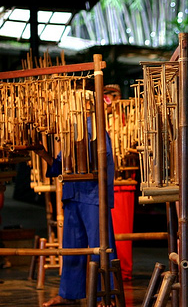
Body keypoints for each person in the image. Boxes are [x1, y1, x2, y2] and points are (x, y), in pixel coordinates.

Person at [34, 91, 117, 307]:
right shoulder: (70, 129)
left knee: (101, 246)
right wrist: (41, 152)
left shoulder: (93, 127)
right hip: (73, 194)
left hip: (92, 194)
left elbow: (104, 159)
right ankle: (68, 293)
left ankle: (105, 294)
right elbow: (60, 165)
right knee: (72, 247)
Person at [104, 84, 136, 282]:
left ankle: (123, 271)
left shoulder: (128, 120)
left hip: (123, 180)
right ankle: (104, 269)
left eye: (113, 96)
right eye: (105, 96)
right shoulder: (97, 121)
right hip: (102, 181)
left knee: (123, 230)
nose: (109, 100)